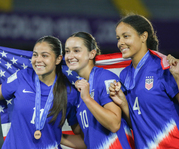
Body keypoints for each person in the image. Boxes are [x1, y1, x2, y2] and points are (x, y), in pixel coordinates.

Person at [0, 36, 79, 149]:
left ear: (58, 59)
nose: (38, 60)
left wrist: (55, 136)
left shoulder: (70, 93)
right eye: (35, 55)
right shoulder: (22, 76)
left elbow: (82, 137)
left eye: (45, 55)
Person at [109, 14, 179, 149]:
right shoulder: (124, 75)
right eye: (118, 38)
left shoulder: (162, 66)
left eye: (126, 36)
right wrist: (123, 103)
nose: (120, 42)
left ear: (143, 36)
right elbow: (137, 120)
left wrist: (177, 77)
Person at [61, 32, 134, 149]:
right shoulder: (80, 90)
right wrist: (55, 135)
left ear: (92, 53)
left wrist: (87, 99)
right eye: (67, 51)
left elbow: (114, 124)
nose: (70, 56)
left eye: (76, 50)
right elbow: (88, 141)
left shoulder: (105, 78)